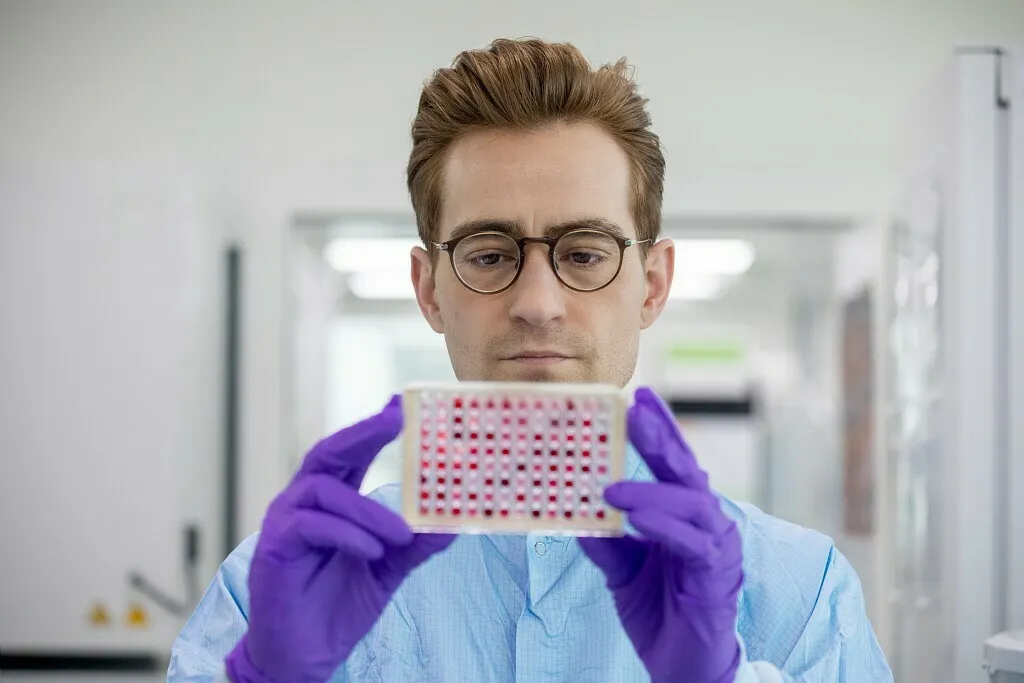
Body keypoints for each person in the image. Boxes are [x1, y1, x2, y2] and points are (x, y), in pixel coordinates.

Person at [167, 38, 892, 682]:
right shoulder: (281, 592)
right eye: (489, 254)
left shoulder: (801, 592)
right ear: (429, 289)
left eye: (584, 253)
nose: (538, 302)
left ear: (654, 284)